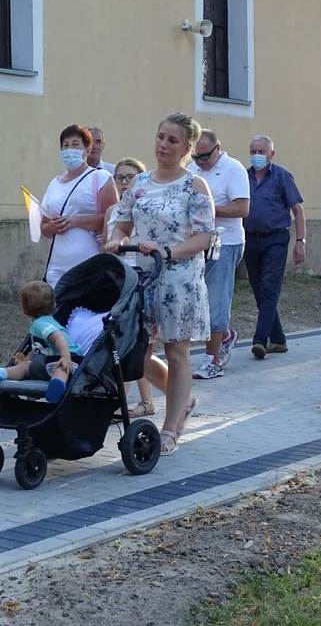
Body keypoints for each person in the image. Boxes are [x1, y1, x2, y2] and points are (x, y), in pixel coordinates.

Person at [105, 112, 217, 455]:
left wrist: (167, 251)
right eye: (160, 137)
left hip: (178, 280)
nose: (163, 145)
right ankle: (182, 401)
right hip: (141, 278)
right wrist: (114, 240)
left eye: (172, 140)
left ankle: (170, 428)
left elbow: (203, 238)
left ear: (186, 147)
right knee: (135, 350)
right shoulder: (139, 184)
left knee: (176, 351)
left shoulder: (194, 185)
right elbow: (121, 223)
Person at [101, 158, 169, 417]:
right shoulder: (112, 211)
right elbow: (106, 245)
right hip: (118, 281)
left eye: (130, 177)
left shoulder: (146, 209)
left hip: (141, 279)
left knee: (139, 348)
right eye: (119, 177)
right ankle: (131, 399)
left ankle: (156, 399)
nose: (124, 182)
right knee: (124, 347)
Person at [188, 129, 250, 378]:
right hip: (196, 243)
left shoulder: (233, 169)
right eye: (196, 157)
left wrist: (207, 209)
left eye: (204, 156)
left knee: (216, 299)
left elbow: (242, 207)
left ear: (218, 148)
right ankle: (225, 335)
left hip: (225, 242)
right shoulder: (192, 170)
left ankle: (212, 359)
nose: (200, 162)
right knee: (197, 300)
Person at [243, 135, 307, 359]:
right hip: (250, 238)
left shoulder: (281, 176)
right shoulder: (244, 176)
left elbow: (298, 211)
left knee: (269, 287)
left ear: (271, 154)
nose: (257, 156)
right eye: (253, 151)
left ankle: (260, 340)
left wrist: (300, 242)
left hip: (276, 239)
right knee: (259, 289)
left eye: (261, 152)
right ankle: (278, 339)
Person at [0, 281, 85, 403]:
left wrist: (65, 357)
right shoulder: (40, 324)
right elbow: (37, 348)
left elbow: (59, 337)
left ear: (24, 309)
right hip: (46, 363)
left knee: (61, 370)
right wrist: (27, 359)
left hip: (67, 360)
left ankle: (56, 386)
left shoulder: (42, 324)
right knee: (24, 366)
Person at [41, 125, 118, 287]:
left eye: (75, 144)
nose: (70, 149)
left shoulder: (101, 177)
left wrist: (75, 221)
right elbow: (44, 227)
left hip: (89, 263)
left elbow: (113, 219)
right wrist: (52, 227)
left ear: (87, 150)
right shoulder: (54, 184)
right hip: (57, 266)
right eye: (65, 145)